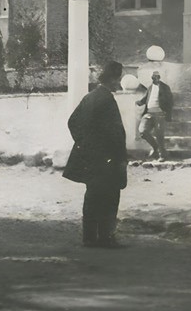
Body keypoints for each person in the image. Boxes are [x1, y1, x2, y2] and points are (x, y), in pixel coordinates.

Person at [63, 61, 129, 247]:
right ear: (113, 79)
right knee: (110, 197)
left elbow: (73, 122)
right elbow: (115, 134)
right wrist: (120, 157)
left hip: (92, 158)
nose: (119, 83)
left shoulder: (90, 97)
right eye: (118, 79)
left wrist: (85, 144)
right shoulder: (107, 100)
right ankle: (106, 237)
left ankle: (90, 237)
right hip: (108, 159)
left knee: (92, 196)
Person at [135, 69, 174, 160]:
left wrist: (167, 113)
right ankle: (156, 148)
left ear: (159, 77)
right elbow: (146, 98)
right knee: (142, 131)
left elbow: (170, 101)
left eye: (157, 77)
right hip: (149, 113)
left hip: (160, 114)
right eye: (153, 77)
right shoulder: (150, 87)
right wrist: (139, 102)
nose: (155, 78)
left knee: (159, 133)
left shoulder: (165, 87)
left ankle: (162, 154)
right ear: (151, 78)